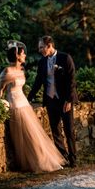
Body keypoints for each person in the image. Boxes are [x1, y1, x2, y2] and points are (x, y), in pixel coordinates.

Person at [0, 40, 66, 173]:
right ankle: (36, 162)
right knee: (28, 137)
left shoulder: (21, 70)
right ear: (17, 56)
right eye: (23, 54)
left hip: (24, 104)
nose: (25, 56)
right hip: (16, 106)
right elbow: (0, 91)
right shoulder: (7, 71)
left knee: (35, 135)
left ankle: (44, 159)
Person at [28, 35, 78, 168]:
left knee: (69, 130)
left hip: (64, 101)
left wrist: (69, 100)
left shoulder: (65, 58)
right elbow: (38, 82)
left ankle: (73, 159)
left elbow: (72, 81)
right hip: (50, 101)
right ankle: (63, 157)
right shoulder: (42, 62)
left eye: (41, 47)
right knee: (55, 131)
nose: (39, 50)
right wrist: (29, 98)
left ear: (49, 46)